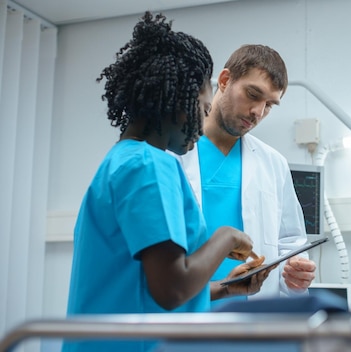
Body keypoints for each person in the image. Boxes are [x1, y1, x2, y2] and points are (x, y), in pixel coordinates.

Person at [63, 13, 269, 352]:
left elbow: (143, 286)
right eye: (203, 108)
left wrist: (223, 290)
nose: (203, 126)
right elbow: (170, 289)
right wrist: (225, 237)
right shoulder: (148, 165)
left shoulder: (121, 160)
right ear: (177, 101)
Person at [175, 44, 316, 301]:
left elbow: (291, 241)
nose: (258, 112)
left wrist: (296, 271)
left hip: (251, 317)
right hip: (185, 310)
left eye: (269, 105)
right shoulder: (172, 152)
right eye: (253, 94)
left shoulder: (273, 163)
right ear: (225, 80)